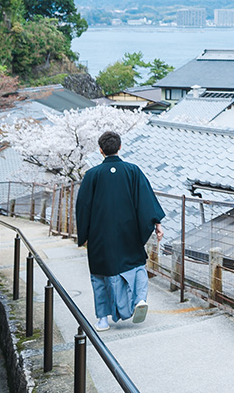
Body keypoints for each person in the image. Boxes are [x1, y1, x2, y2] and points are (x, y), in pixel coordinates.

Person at [75, 130, 165, 332]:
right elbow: (146, 200)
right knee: (137, 265)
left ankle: (103, 319)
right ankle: (140, 299)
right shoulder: (133, 171)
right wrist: (157, 224)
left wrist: (84, 234)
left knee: (100, 276)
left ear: (100, 150)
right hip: (129, 231)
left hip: (100, 235)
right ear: (120, 147)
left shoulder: (92, 175)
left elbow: (82, 207)